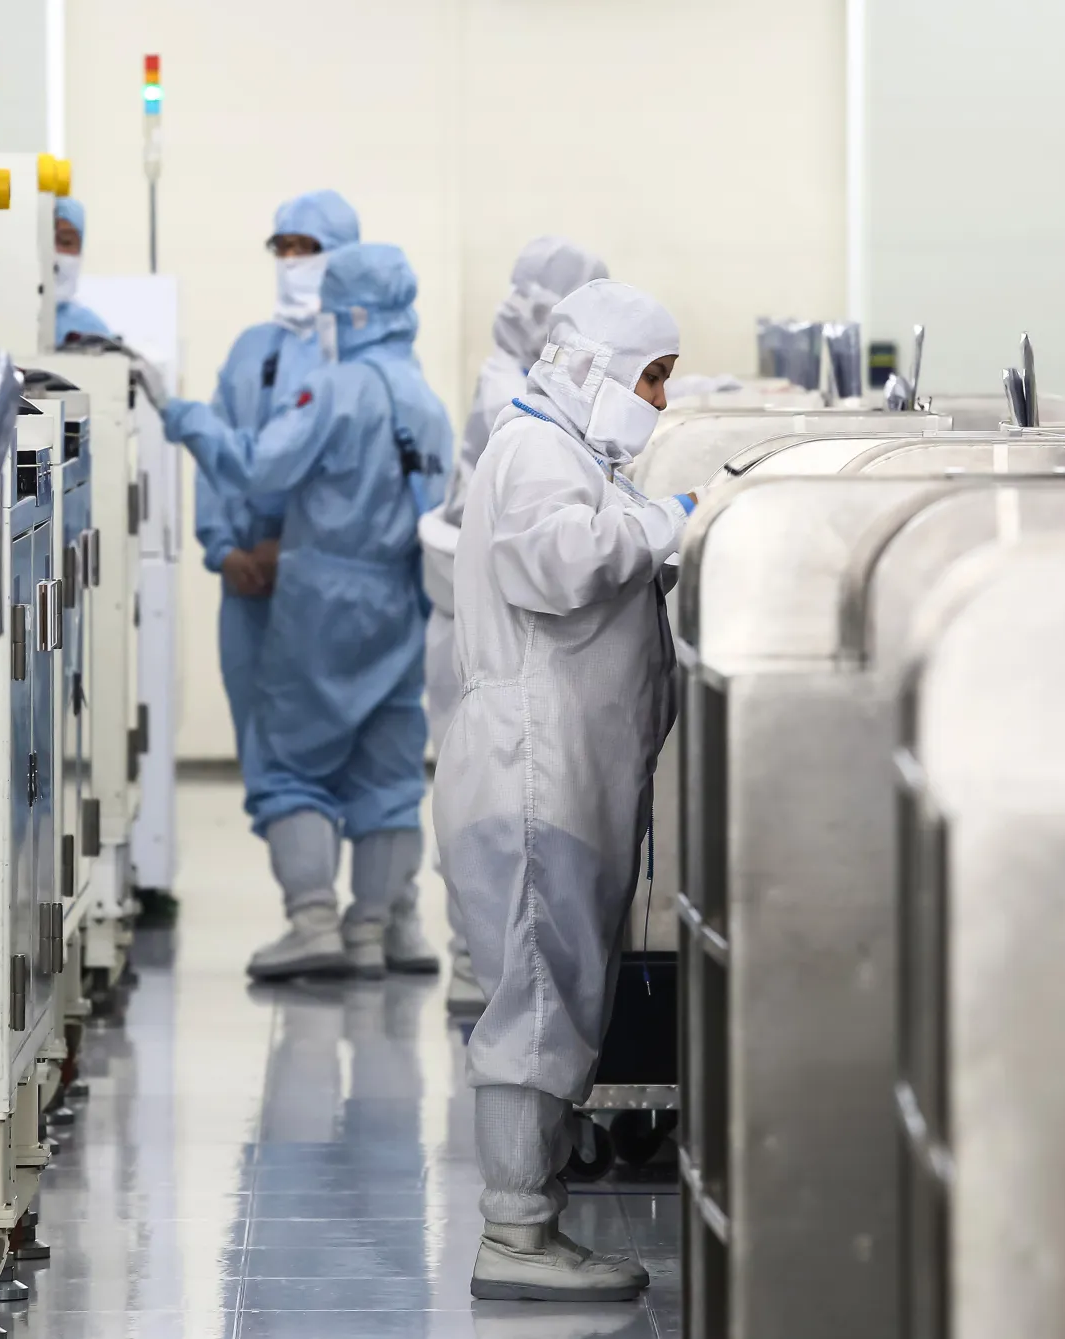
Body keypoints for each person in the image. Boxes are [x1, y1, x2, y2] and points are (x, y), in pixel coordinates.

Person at [433, 280, 696, 1302]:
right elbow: (554, 566)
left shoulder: (564, 453)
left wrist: (647, 521)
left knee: (554, 992)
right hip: (532, 772)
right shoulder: (536, 452)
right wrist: (668, 523)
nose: (658, 403)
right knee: (537, 1001)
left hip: (560, 771)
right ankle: (514, 1232)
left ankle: (529, 1217)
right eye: (651, 378)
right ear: (593, 368)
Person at [163, 243, 451, 982]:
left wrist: (187, 419)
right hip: (400, 598)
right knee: (388, 772)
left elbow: (262, 465)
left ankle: (314, 920)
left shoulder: (335, 387)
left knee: (291, 761)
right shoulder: (424, 396)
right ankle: (370, 929)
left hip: (323, 596)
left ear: (351, 311)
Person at [427, 236, 609, 1018]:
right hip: (485, 636)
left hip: (479, 628)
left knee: (500, 802)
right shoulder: (516, 401)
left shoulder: (516, 386)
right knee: (490, 806)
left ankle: (489, 958)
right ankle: (478, 958)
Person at [52, 197, 112, 344]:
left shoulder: (92, 330)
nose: (54, 252)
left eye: (66, 242)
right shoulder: (1, 320)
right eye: (46, 240)